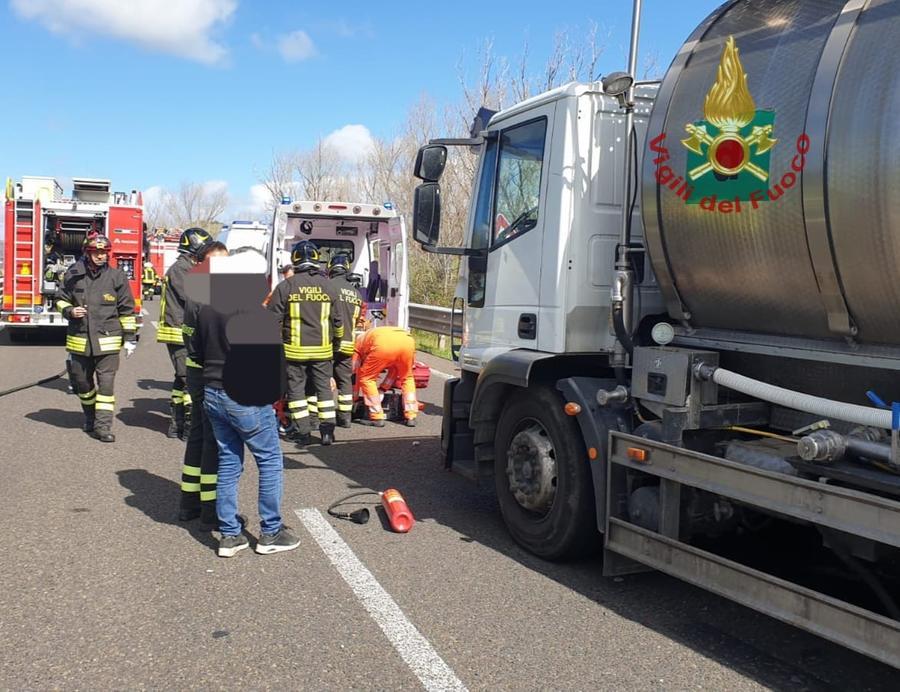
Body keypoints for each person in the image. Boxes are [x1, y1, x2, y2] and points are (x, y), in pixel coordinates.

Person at [189, 254, 300, 557]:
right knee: (270, 461)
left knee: (228, 461)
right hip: (244, 396)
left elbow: (196, 352)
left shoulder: (206, 309)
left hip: (212, 392)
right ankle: (271, 532)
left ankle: (229, 535)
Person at [56, 234, 137, 442]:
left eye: (104, 252)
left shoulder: (117, 276)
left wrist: (130, 338)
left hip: (108, 342)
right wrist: (70, 311)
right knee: (83, 384)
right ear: (88, 252)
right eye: (96, 252)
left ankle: (103, 427)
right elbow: (60, 300)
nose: (101, 256)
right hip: (80, 340)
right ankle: (90, 417)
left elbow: (127, 310)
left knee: (106, 385)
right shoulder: (73, 274)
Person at [267, 240, 342, 446]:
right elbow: (338, 322)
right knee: (324, 391)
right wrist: (335, 346)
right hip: (323, 351)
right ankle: (327, 432)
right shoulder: (330, 286)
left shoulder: (286, 286)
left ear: (295, 260)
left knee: (297, 391)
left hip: (295, 352)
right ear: (317, 260)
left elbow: (271, 320)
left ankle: (303, 433)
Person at [178, 241, 228, 524]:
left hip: (201, 372)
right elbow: (193, 339)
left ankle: (189, 502)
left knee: (197, 435)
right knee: (212, 440)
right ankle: (210, 511)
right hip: (208, 375)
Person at [158, 227, 213, 439]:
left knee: (181, 379)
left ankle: (176, 424)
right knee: (189, 379)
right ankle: (190, 427)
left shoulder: (190, 268)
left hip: (184, 331)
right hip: (178, 331)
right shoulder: (181, 269)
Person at [353, 326, 419, 427]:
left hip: (382, 344)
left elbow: (354, 374)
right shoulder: (371, 335)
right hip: (408, 341)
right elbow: (394, 370)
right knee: (407, 378)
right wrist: (383, 389)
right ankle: (411, 416)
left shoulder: (357, 346)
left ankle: (376, 416)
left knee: (367, 379)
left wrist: (354, 399)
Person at [327, 253, 364, 428]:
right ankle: (345, 417)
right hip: (349, 343)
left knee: (322, 379)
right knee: (344, 381)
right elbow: (357, 320)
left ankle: (323, 417)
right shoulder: (356, 293)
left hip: (329, 342)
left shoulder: (327, 287)